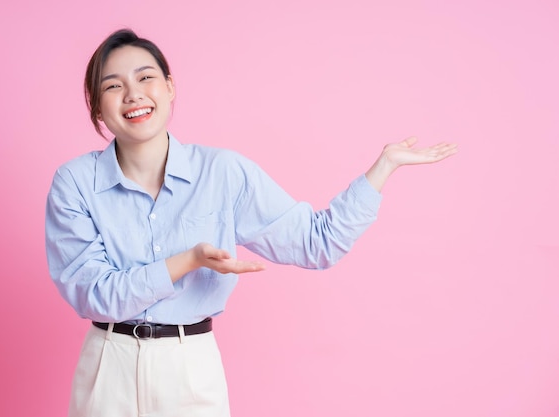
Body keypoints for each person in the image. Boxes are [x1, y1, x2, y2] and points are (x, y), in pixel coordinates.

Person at [45, 28, 458, 417]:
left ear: (169, 87)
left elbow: (318, 243)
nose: (133, 95)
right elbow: (91, 293)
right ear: (97, 106)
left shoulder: (224, 173)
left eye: (145, 77)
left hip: (190, 365)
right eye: (113, 85)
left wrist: (383, 168)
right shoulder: (76, 183)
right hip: (109, 365)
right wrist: (186, 261)